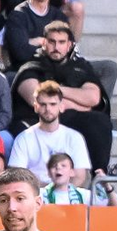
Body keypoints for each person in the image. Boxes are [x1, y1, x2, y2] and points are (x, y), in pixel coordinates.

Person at [11, 20, 109, 170]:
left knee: (99, 121)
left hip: (72, 119)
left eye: (61, 42)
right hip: (37, 119)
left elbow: (93, 98)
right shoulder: (31, 65)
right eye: (52, 42)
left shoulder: (80, 67)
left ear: (69, 45)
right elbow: (35, 98)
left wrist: (58, 90)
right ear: (44, 43)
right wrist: (81, 104)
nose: (56, 47)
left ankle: (99, 175)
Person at [8, 79, 91, 185]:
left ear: (61, 106)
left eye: (53, 104)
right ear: (36, 107)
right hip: (34, 193)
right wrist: (47, 191)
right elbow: (17, 176)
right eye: (43, 104)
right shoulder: (23, 138)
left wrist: (59, 192)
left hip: (67, 193)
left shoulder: (74, 137)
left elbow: (79, 177)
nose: (48, 109)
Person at [42, 150, 117, 207]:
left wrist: (107, 186)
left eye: (63, 166)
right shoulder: (40, 195)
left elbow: (114, 208)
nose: (58, 168)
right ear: (49, 173)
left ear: (72, 172)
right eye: (54, 166)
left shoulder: (84, 195)